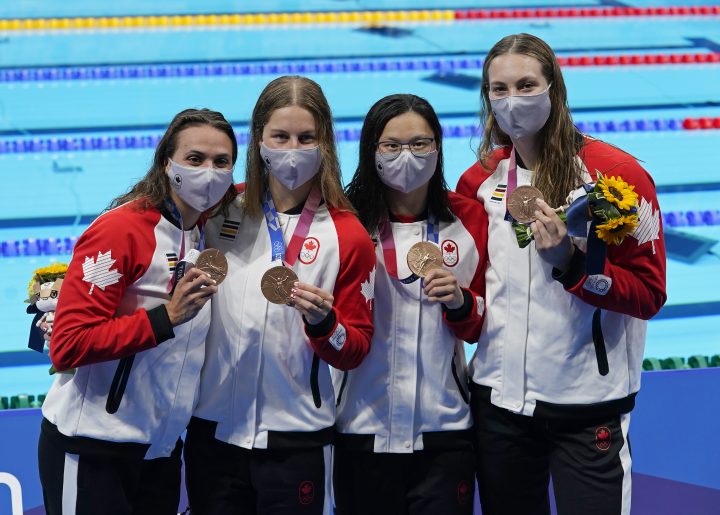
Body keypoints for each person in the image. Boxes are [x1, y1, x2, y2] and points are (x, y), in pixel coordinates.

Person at [456, 33, 667, 515]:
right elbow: (474, 297)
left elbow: (651, 294)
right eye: (499, 89)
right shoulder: (478, 181)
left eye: (526, 85)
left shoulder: (617, 177)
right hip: (498, 405)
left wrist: (574, 267)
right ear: (487, 98)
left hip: (586, 406)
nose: (512, 101)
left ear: (555, 88)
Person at [184, 75, 376, 515]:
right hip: (212, 432)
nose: (293, 149)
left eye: (306, 137)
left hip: (298, 439)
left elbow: (356, 348)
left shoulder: (347, 234)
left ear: (325, 142)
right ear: (259, 140)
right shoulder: (220, 211)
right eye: (281, 136)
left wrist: (325, 325)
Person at [38, 108, 238, 514]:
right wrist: (166, 318)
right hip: (93, 447)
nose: (209, 172)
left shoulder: (200, 229)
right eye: (195, 159)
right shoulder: (122, 230)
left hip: (159, 452)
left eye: (222, 162)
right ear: (167, 162)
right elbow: (68, 346)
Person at [335, 93, 488, 515]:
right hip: (360, 427)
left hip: (444, 430)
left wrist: (461, 302)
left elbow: (482, 325)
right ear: (371, 150)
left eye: (421, 143)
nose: (408, 155)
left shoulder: (469, 220)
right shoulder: (346, 223)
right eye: (392, 145)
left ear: (438, 147)